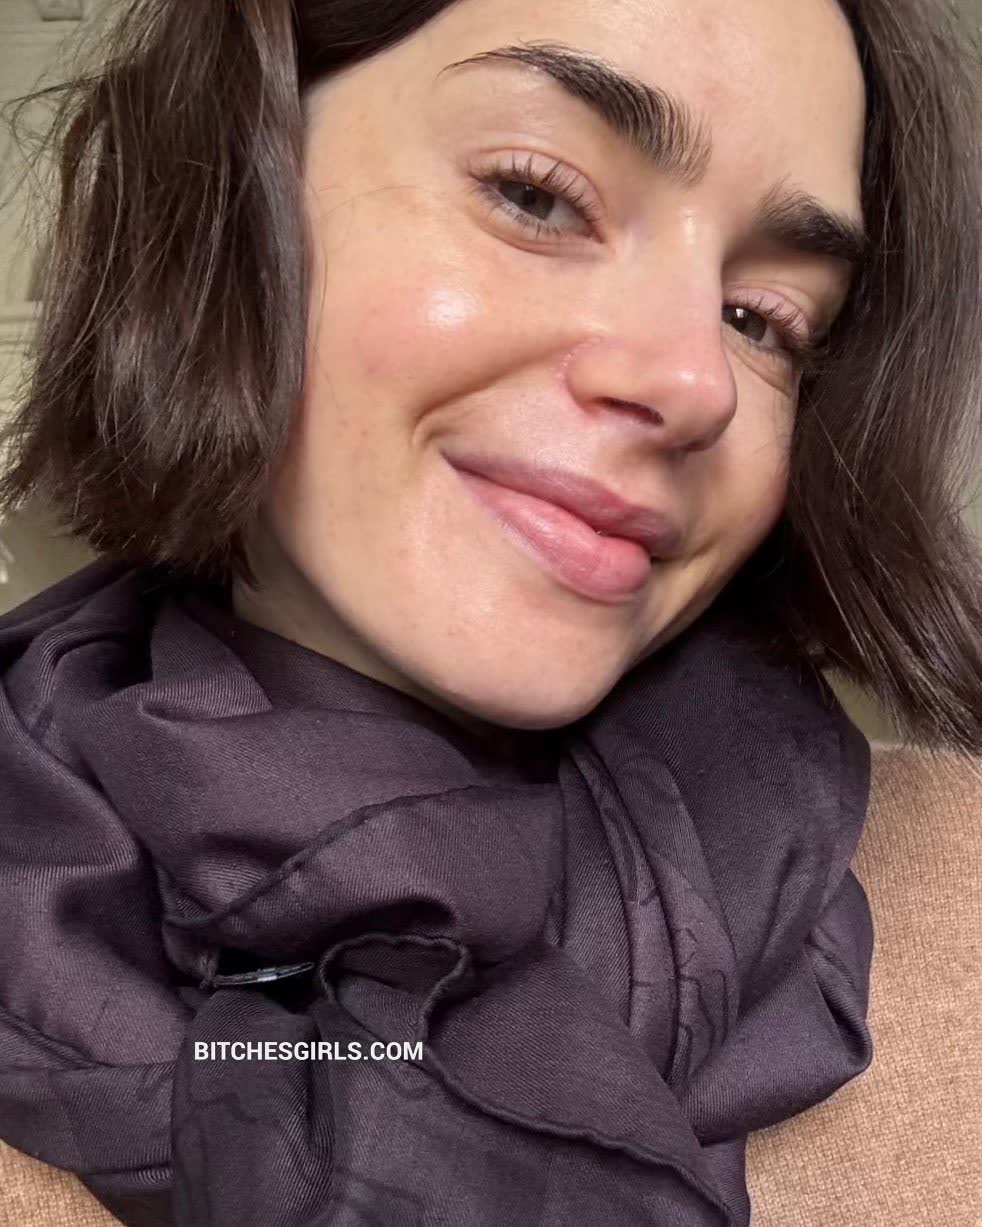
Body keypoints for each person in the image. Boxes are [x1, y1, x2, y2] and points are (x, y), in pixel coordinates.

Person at [0, 1, 979, 1224]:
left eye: (761, 320)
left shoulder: (959, 880)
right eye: (536, 196)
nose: (696, 384)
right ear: (224, 193)